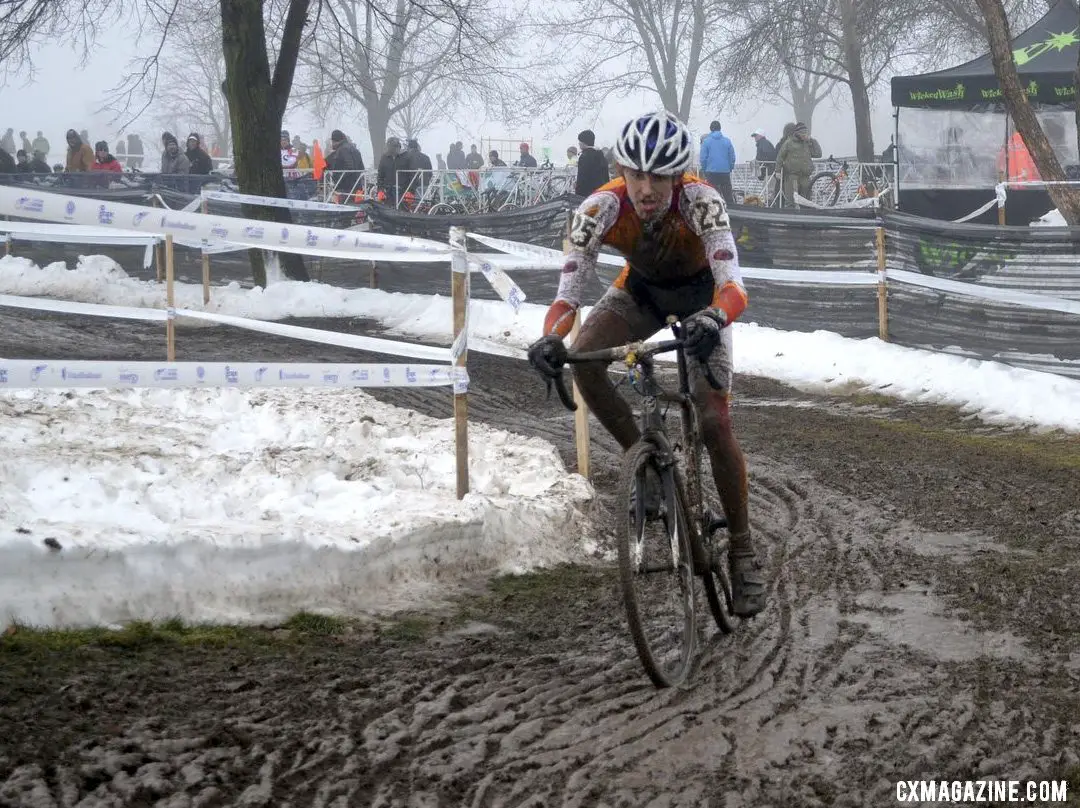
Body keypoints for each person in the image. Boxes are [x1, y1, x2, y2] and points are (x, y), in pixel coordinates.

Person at [526, 110, 765, 618]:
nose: (646, 187)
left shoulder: (703, 200)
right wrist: (550, 338)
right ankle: (648, 465)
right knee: (586, 357)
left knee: (714, 420)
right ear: (620, 169)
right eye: (636, 174)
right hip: (641, 292)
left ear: (679, 175)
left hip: (705, 299)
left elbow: (734, 287)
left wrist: (715, 318)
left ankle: (743, 550)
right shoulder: (599, 209)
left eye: (659, 176)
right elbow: (569, 296)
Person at [775, 122, 814, 206]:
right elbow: (780, 156)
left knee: (806, 200)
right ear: (797, 133)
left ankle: (806, 216)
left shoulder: (807, 143)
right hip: (792, 175)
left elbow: (818, 153)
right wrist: (777, 171)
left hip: (805, 175)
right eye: (802, 132)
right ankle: (790, 215)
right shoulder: (788, 143)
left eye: (805, 132)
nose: (804, 134)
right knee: (791, 199)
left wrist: (812, 141)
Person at [699, 120, 736, 206]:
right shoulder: (727, 141)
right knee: (728, 196)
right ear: (720, 129)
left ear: (711, 129)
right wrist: (730, 168)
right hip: (725, 172)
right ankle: (733, 214)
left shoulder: (706, 142)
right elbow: (732, 157)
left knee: (712, 196)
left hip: (711, 172)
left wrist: (705, 170)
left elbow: (703, 158)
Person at [574, 129, 609, 196]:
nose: (579, 143)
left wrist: (578, 193)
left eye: (580, 141)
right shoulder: (600, 155)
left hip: (587, 195)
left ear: (584, 142)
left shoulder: (584, 157)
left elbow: (581, 178)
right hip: (601, 193)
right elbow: (606, 176)